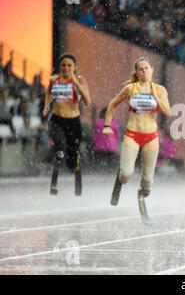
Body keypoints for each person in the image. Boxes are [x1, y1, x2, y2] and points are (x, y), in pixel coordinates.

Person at [103, 57, 170, 223]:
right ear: (137, 72)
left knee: (147, 179)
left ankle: (142, 193)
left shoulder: (160, 89)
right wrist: (106, 125)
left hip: (151, 136)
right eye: (140, 69)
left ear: (152, 70)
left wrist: (155, 95)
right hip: (132, 134)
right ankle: (120, 179)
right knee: (126, 173)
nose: (144, 71)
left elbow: (167, 111)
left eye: (146, 68)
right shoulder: (130, 89)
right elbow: (112, 104)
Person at [43, 53, 91, 196]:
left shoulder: (80, 80)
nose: (66, 68)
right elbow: (48, 92)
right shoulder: (54, 79)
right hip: (57, 120)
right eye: (63, 65)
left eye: (69, 65)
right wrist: (46, 105)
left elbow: (88, 101)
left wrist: (75, 82)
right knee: (59, 150)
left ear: (75, 67)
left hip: (73, 122)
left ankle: (78, 187)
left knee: (73, 157)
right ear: (60, 66)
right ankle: (53, 185)